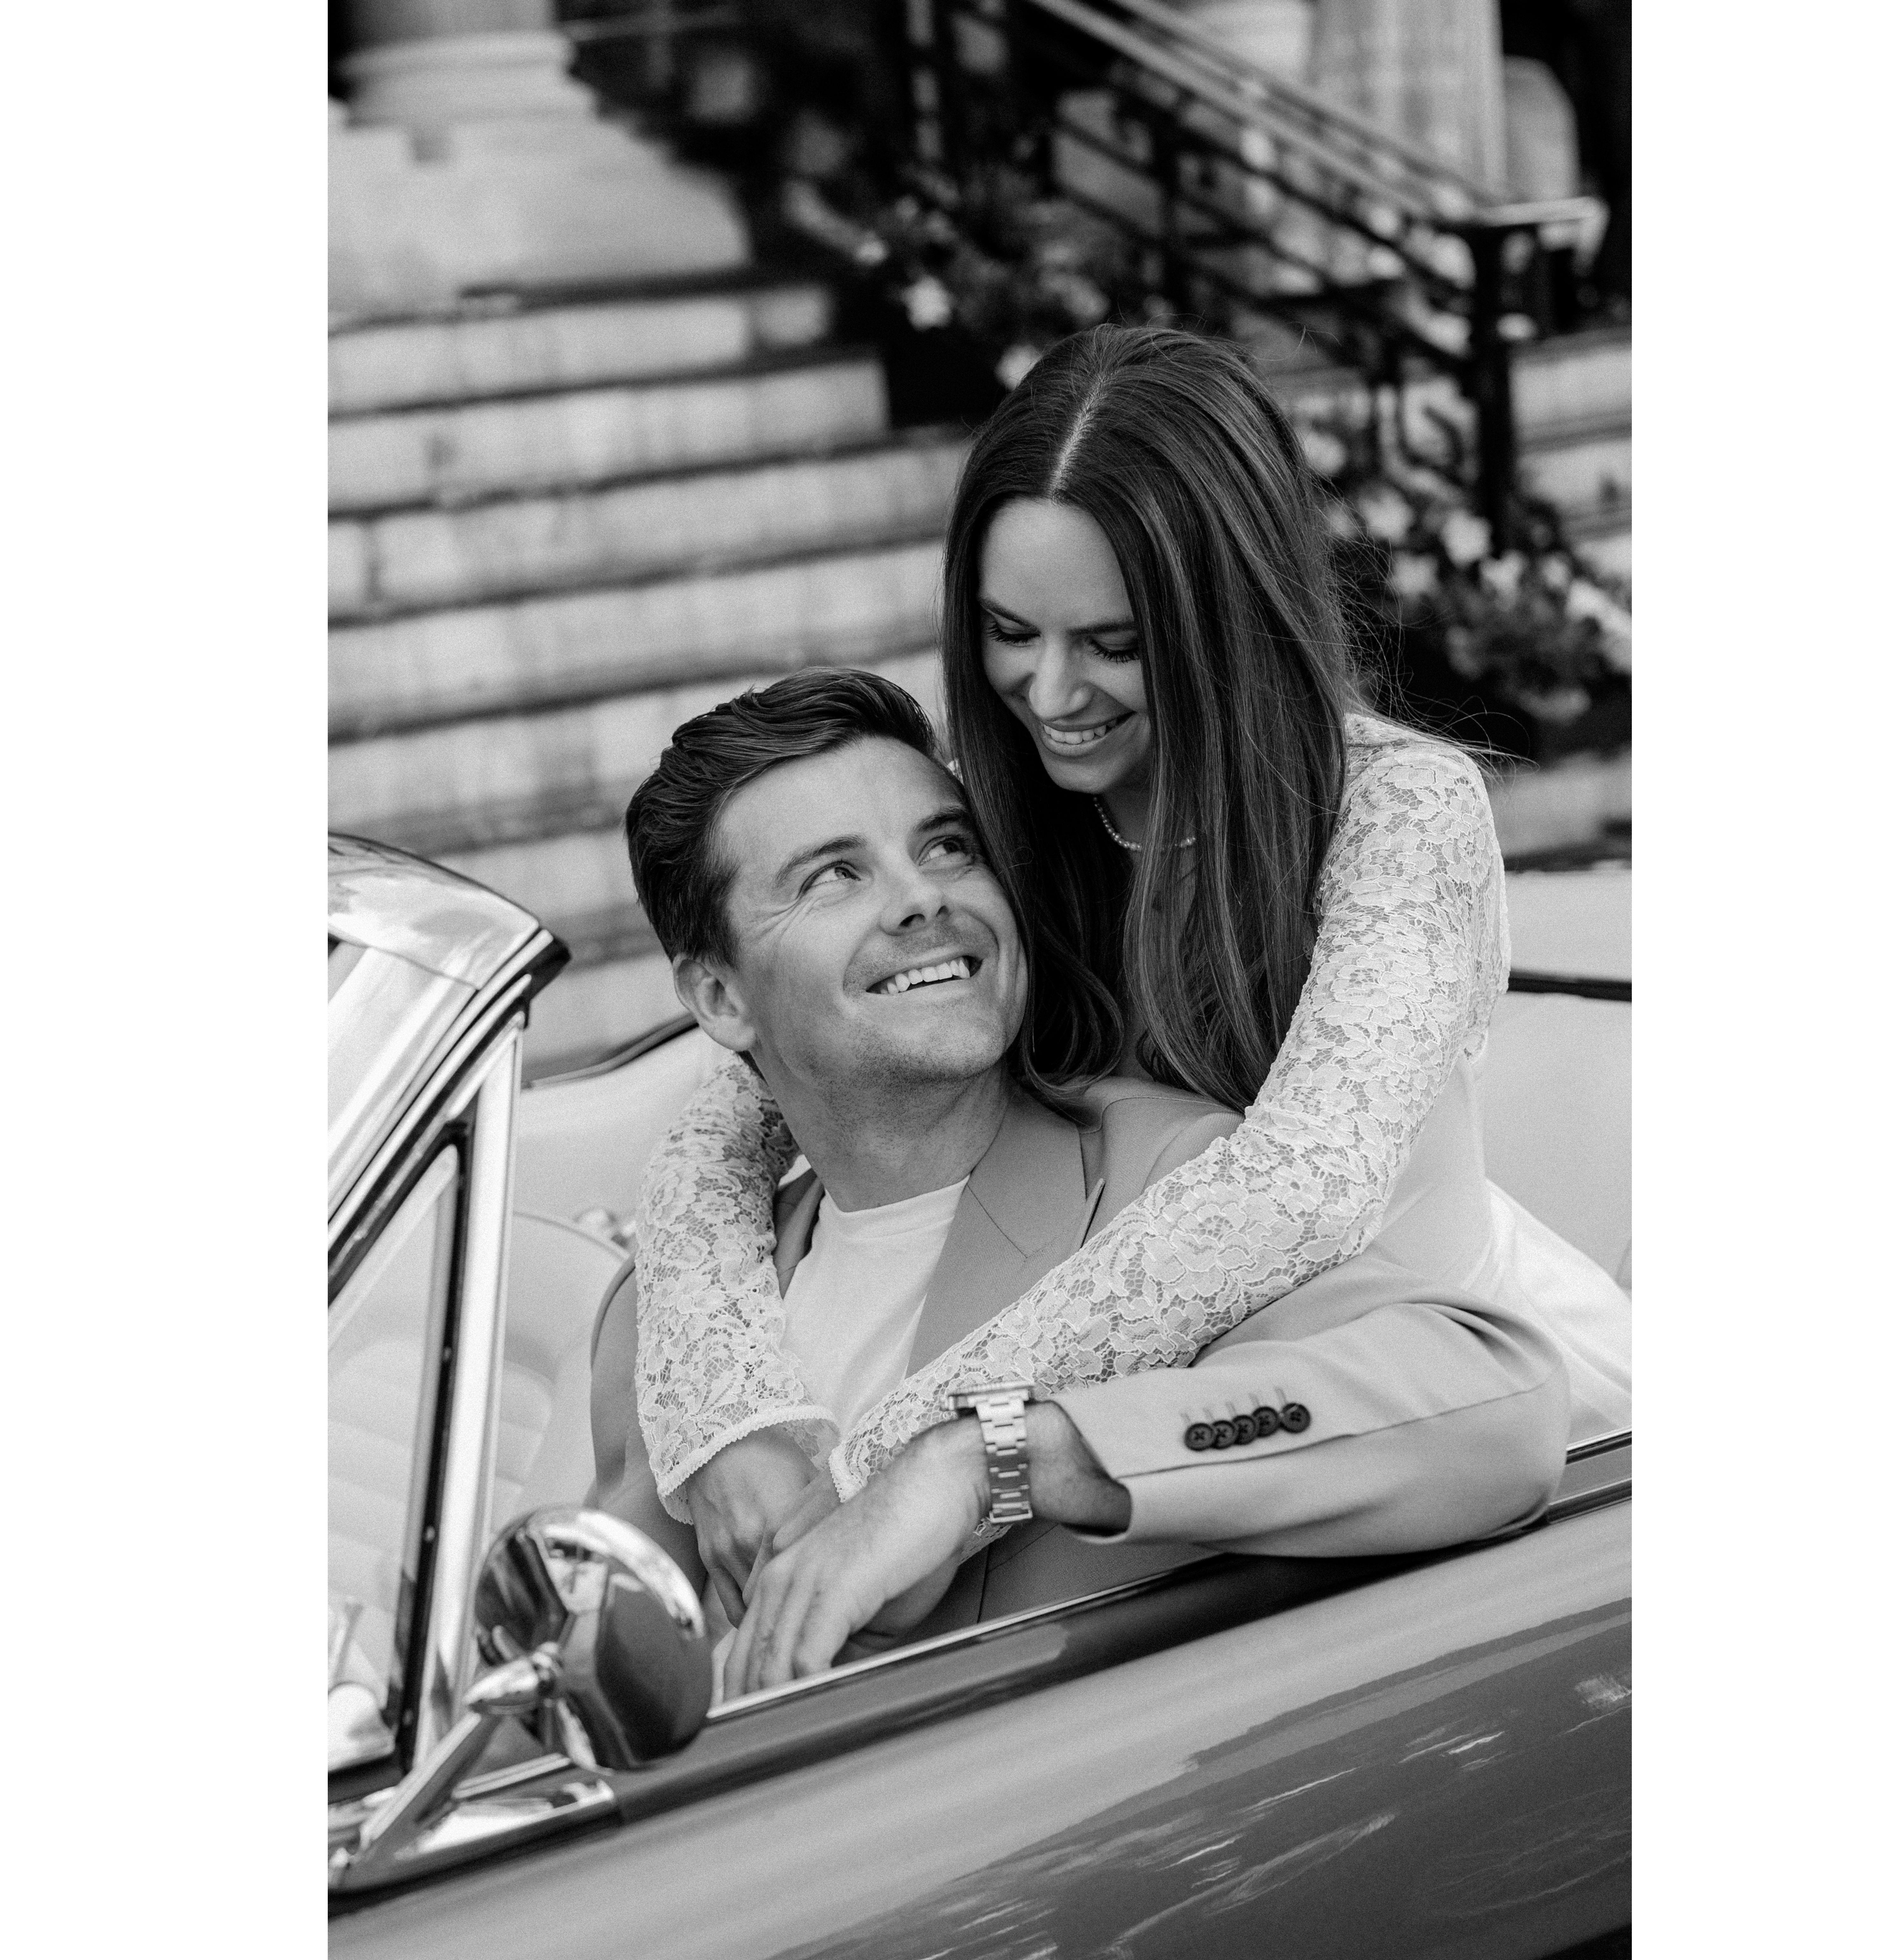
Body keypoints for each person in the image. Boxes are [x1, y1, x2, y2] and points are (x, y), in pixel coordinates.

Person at [631, 324, 1634, 1636]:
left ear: (1227, 616)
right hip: (1136, 1456)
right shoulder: (1009, 806)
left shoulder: (1396, 811)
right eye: (1009, 631)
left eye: (1112, 642)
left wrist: (913, 1452)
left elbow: (1296, 1194)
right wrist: (727, 1416)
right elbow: (725, 1114)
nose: (1049, 692)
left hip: (1416, 1396)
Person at [589, 669, 1571, 1691]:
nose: (922, 897)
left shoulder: (1176, 1185)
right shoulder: (671, 1324)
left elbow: (1504, 1408)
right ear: (720, 997)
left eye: (948, 846)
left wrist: (994, 1463)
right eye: (834, 875)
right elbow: (605, 1670)